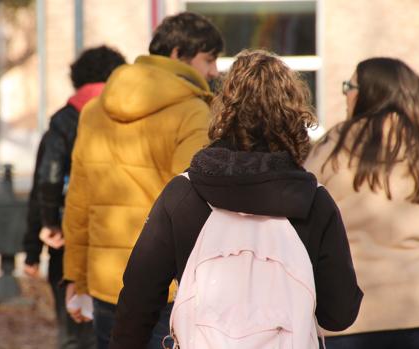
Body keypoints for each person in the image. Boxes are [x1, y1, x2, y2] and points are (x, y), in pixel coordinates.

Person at [108, 49, 362, 348]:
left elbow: (139, 299)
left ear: (224, 108)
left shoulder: (184, 194)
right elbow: (340, 313)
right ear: (294, 114)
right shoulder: (314, 202)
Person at [61, 11, 224, 349]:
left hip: (106, 283)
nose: (214, 71)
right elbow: (193, 208)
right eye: (208, 59)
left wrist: (75, 276)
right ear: (178, 53)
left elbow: (78, 200)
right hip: (166, 288)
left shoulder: (94, 111)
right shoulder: (193, 112)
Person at [305, 58, 419, 348]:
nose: (346, 94)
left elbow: (304, 215)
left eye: (350, 86)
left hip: (351, 317)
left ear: (372, 92)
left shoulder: (334, 147)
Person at [24, 45, 126, 349]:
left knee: (73, 326)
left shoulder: (63, 121)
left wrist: (38, 238)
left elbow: (46, 181)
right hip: (118, 233)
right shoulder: (126, 116)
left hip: (68, 238)